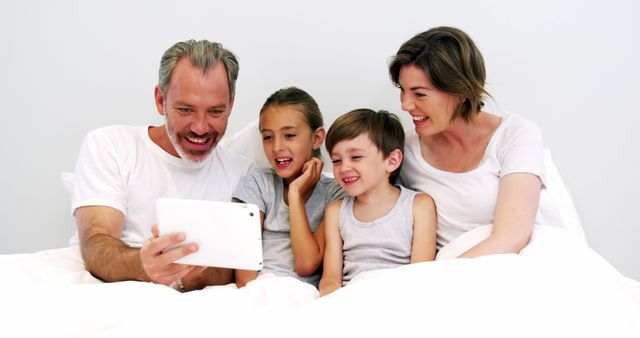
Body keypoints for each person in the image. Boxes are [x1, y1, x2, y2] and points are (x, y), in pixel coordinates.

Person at [70, 39, 253, 291]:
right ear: (160, 100)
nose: (200, 128)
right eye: (186, 109)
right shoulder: (110, 145)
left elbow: (241, 266)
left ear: (231, 105)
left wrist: (190, 274)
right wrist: (141, 264)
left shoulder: (243, 173)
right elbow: (96, 243)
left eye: (215, 112)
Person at [389, 26, 545, 258]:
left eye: (419, 94)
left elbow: (513, 237)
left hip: (506, 264)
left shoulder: (515, 134)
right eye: (403, 90)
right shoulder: (404, 150)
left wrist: (435, 280)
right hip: (445, 270)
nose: (405, 105)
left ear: (461, 91)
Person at [232, 87, 345, 288]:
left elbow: (306, 264)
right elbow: (244, 276)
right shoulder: (257, 183)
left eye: (289, 135)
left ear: (317, 138)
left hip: (302, 294)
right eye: (268, 137)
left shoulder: (335, 193)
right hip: (257, 291)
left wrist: (295, 195)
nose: (277, 147)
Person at [319, 109, 437, 296]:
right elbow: (330, 279)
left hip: (398, 295)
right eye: (336, 160)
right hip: (350, 297)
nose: (344, 168)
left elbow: (420, 275)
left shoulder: (419, 206)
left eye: (356, 157)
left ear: (391, 160)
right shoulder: (336, 211)